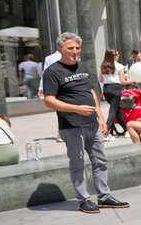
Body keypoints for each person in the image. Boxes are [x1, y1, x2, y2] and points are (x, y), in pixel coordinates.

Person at [41, 33, 128, 213]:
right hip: (72, 125)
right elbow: (49, 100)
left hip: (92, 124)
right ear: (60, 49)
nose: (75, 51)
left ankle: (104, 197)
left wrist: (101, 118)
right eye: (70, 48)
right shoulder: (52, 71)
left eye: (77, 48)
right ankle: (83, 199)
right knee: (78, 163)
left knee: (100, 160)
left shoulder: (83, 66)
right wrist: (76, 109)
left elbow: (92, 92)